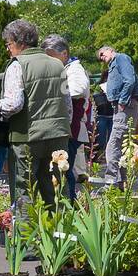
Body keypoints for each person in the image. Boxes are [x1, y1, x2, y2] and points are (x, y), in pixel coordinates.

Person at [0, 20, 70, 207]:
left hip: (27, 136)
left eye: (9, 44)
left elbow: (14, 104)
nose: (8, 49)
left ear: (20, 42)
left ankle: (25, 236)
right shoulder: (58, 65)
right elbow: (67, 104)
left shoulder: (17, 65)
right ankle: (62, 233)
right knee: (57, 188)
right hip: (58, 135)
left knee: (24, 189)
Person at [43, 35, 89, 201]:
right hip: (66, 126)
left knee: (65, 169)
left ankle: (69, 204)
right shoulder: (65, 69)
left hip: (71, 127)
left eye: (51, 55)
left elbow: (78, 90)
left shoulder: (74, 70)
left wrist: (56, 91)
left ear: (64, 54)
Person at [97, 46, 138, 186]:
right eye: (101, 58)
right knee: (123, 146)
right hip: (122, 107)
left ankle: (110, 182)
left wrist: (122, 100)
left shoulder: (120, 58)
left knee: (113, 145)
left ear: (110, 50)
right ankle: (123, 182)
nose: (102, 59)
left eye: (103, 55)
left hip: (125, 106)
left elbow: (129, 79)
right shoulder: (114, 63)